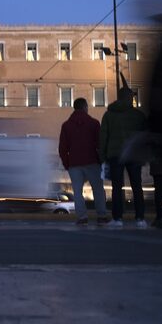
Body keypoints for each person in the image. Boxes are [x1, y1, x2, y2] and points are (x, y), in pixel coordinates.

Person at [100, 87, 147, 228]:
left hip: (115, 154)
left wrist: (103, 156)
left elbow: (103, 137)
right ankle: (140, 218)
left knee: (117, 187)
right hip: (133, 154)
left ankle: (117, 218)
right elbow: (144, 136)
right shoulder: (138, 115)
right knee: (137, 187)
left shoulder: (109, 114)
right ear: (129, 98)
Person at [58, 98, 109, 226]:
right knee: (97, 189)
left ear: (74, 108)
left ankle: (82, 217)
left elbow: (63, 148)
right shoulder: (94, 123)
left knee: (77, 191)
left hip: (74, 164)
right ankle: (101, 215)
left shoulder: (66, 125)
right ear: (85, 107)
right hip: (92, 161)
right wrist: (102, 160)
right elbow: (100, 144)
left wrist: (67, 163)